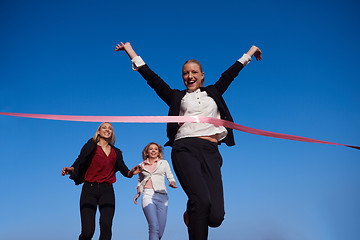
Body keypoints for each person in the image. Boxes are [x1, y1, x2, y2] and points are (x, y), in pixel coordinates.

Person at [115, 42, 262, 240]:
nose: (189, 76)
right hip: (185, 149)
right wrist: (130, 52)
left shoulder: (214, 91)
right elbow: (152, 79)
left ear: (202, 76)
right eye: (185, 73)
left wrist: (250, 52)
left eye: (194, 72)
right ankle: (195, 211)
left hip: (211, 152)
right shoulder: (177, 96)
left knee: (216, 217)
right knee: (200, 201)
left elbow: (231, 73)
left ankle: (190, 214)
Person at [61, 122, 141, 240]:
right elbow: (80, 160)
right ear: (98, 131)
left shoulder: (116, 152)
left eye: (110, 128)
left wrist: (131, 172)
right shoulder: (90, 146)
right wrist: (71, 169)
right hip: (89, 189)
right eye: (104, 127)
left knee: (106, 226)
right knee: (88, 232)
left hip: (107, 191)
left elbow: (124, 170)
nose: (107, 129)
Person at [134, 142, 177, 240]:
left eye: (156, 149)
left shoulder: (164, 163)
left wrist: (172, 183)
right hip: (148, 195)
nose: (153, 150)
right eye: (151, 149)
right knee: (153, 226)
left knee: (160, 231)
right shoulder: (141, 165)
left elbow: (170, 176)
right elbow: (140, 180)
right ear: (147, 152)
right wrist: (138, 193)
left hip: (162, 196)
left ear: (158, 152)